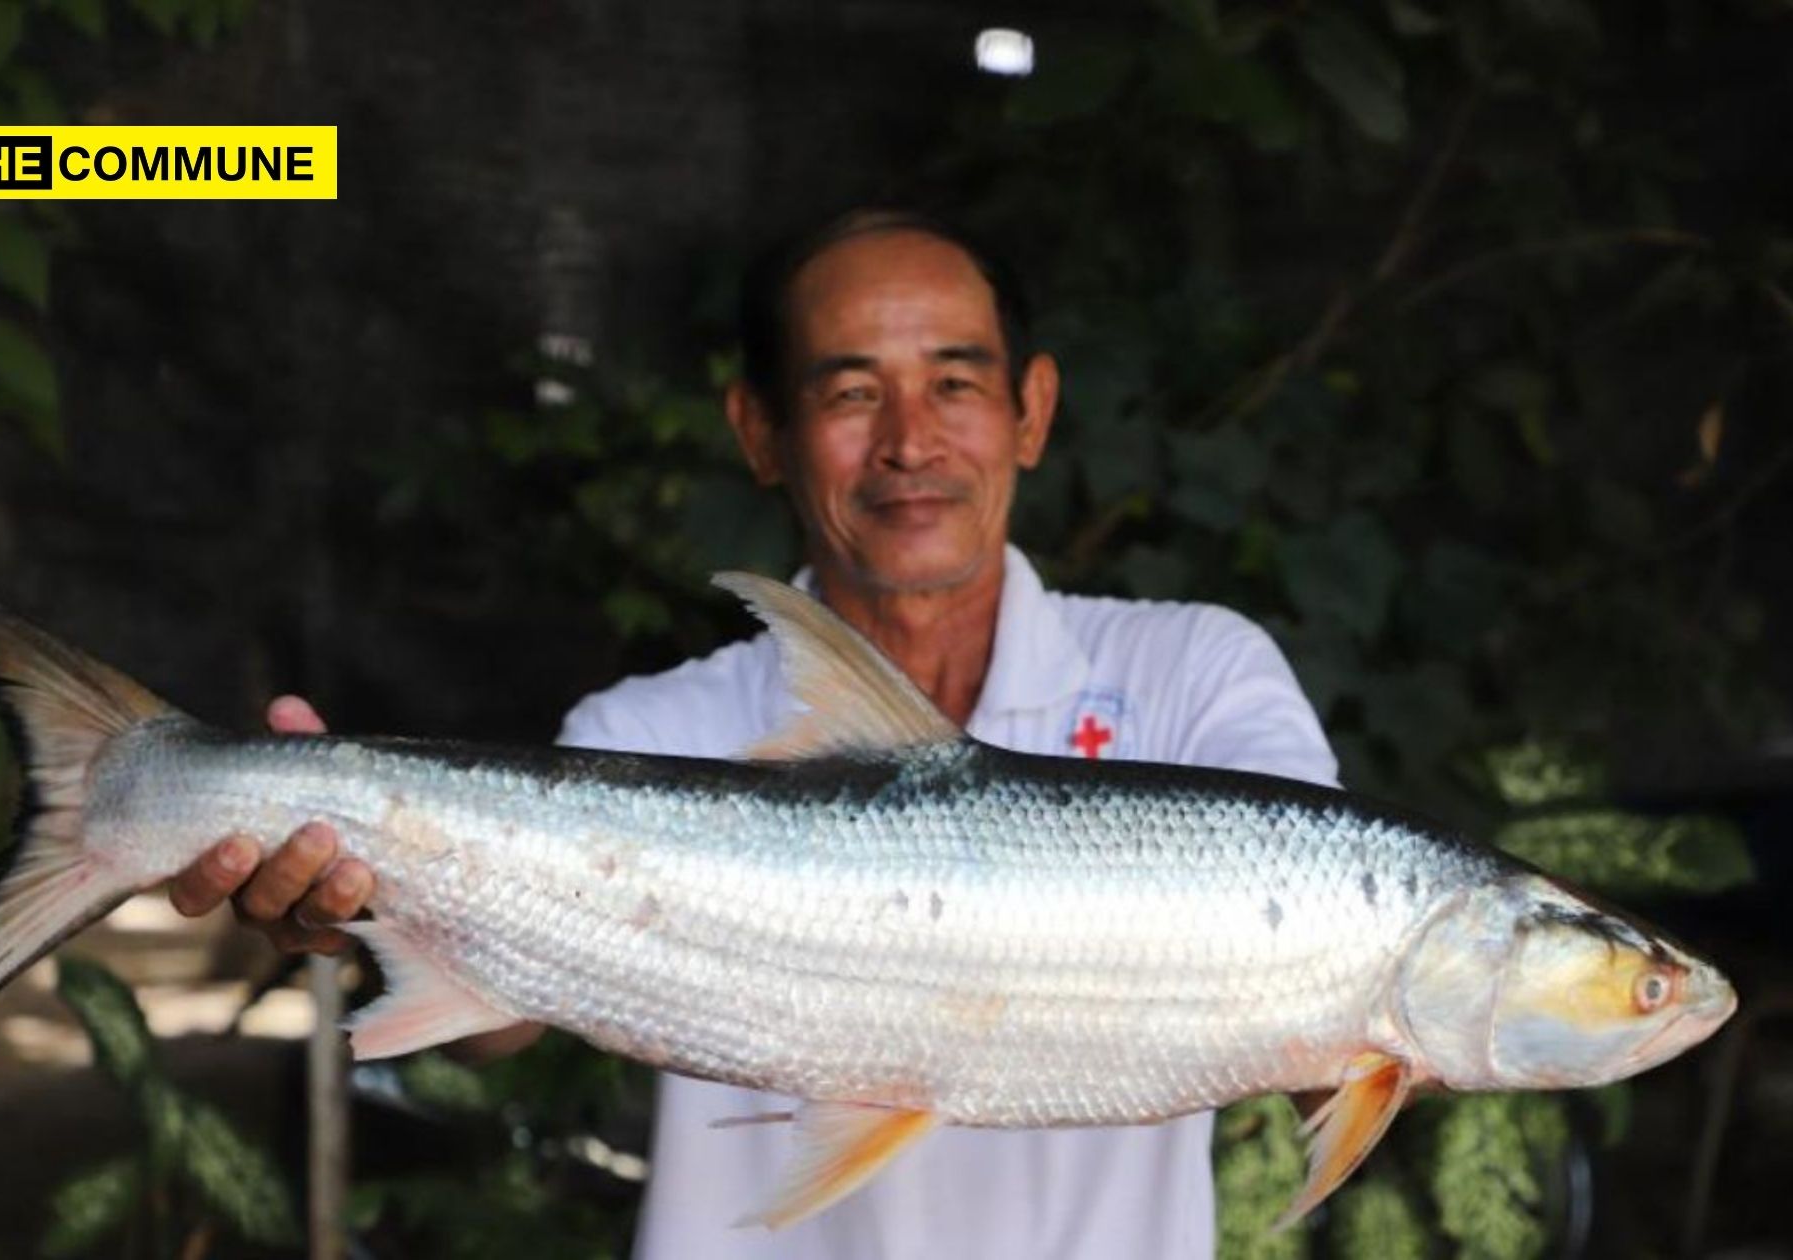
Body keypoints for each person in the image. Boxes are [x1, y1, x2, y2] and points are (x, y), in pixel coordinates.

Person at [167, 208, 1338, 1258]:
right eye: (847, 392)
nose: (908, 442)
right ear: (759, 430)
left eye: (953, 384)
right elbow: (496, 1025)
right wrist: (363, 906)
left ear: (1030, 410)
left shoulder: (1197, 672)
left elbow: (1326, 959)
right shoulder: (647, 729)